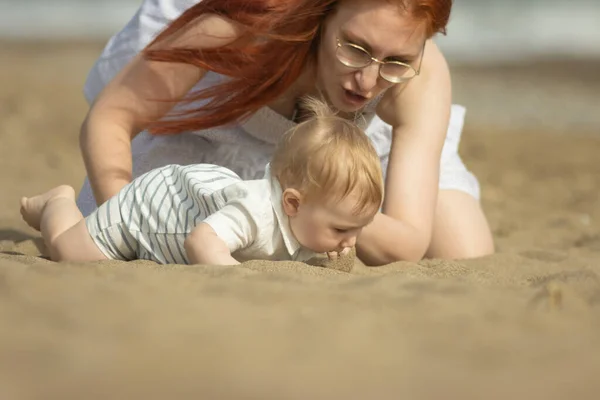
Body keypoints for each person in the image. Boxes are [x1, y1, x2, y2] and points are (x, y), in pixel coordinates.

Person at [77, 0, 495, 265]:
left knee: (465, 252)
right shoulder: (246, 25)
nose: (367, 83)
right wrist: (123, 208)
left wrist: (326, 203)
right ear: (322, 13)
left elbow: (406, 242)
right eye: (354, 47)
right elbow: (111, 117)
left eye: (397, 60)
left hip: (349, 156)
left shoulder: (415, 78)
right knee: (108, 223)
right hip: (216, 124)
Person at [20, 98, 383, 265]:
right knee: (70, 253)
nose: (351, 241)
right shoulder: (256, 212)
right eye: (341, 230)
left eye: (357, 229)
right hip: (149, 209)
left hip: (177, 216)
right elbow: (202, 242)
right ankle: (57, 202)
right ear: (292, 203)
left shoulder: (307, 227)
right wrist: (239, 279)